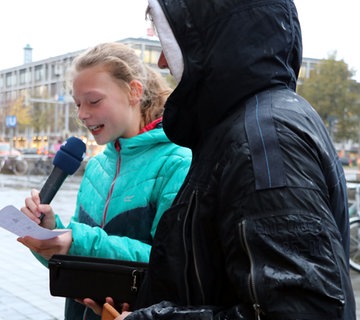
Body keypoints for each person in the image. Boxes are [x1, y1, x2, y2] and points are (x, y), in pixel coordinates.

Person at [91, 0, 355, 319]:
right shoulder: (247, 126)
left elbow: (301, 310)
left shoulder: (264, 140)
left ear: (209, 40)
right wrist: (142, 300)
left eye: (170, 43)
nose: (162, 61)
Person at [18, 42, 192, 320]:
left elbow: (168, 264)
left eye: (94, 101)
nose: (82, 114)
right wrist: (50, 235)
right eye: (77, 104)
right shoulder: (97, 165)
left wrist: (74, 241)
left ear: (134, 92)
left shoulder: (176, 162)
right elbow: (78, 258)